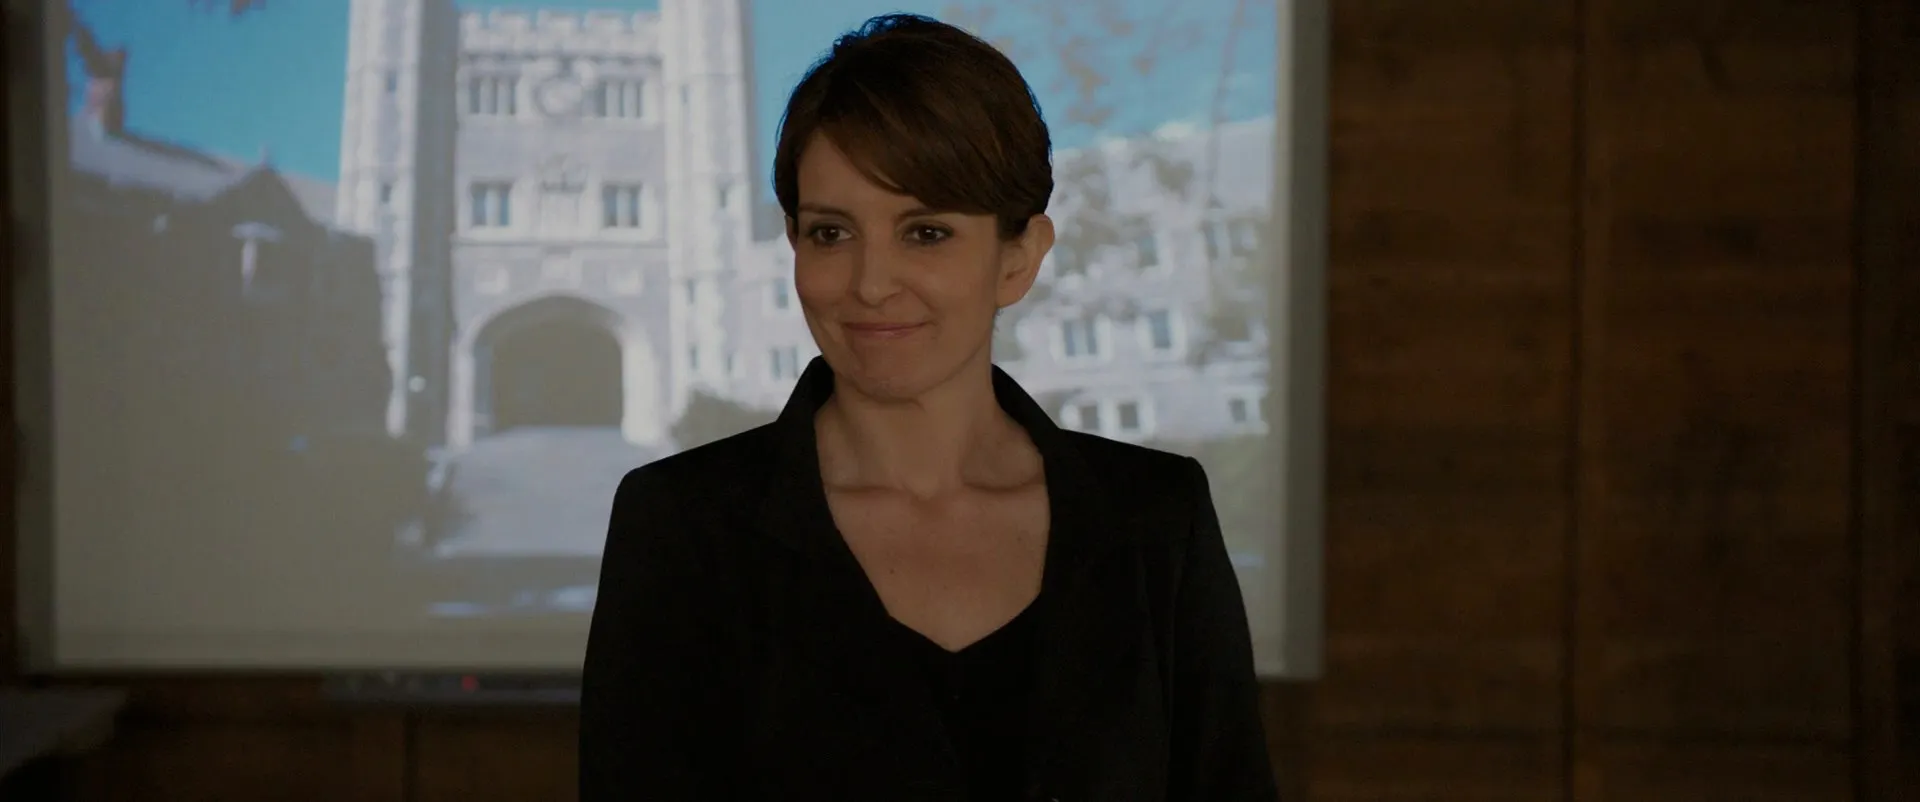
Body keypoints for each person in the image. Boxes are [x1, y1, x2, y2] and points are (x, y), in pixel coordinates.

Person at [580, 12, 1278, 801]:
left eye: (926, 233)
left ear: (1019, 258)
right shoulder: (680, 526)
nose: (871, 283)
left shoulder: (1157, 519)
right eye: (832, 233)